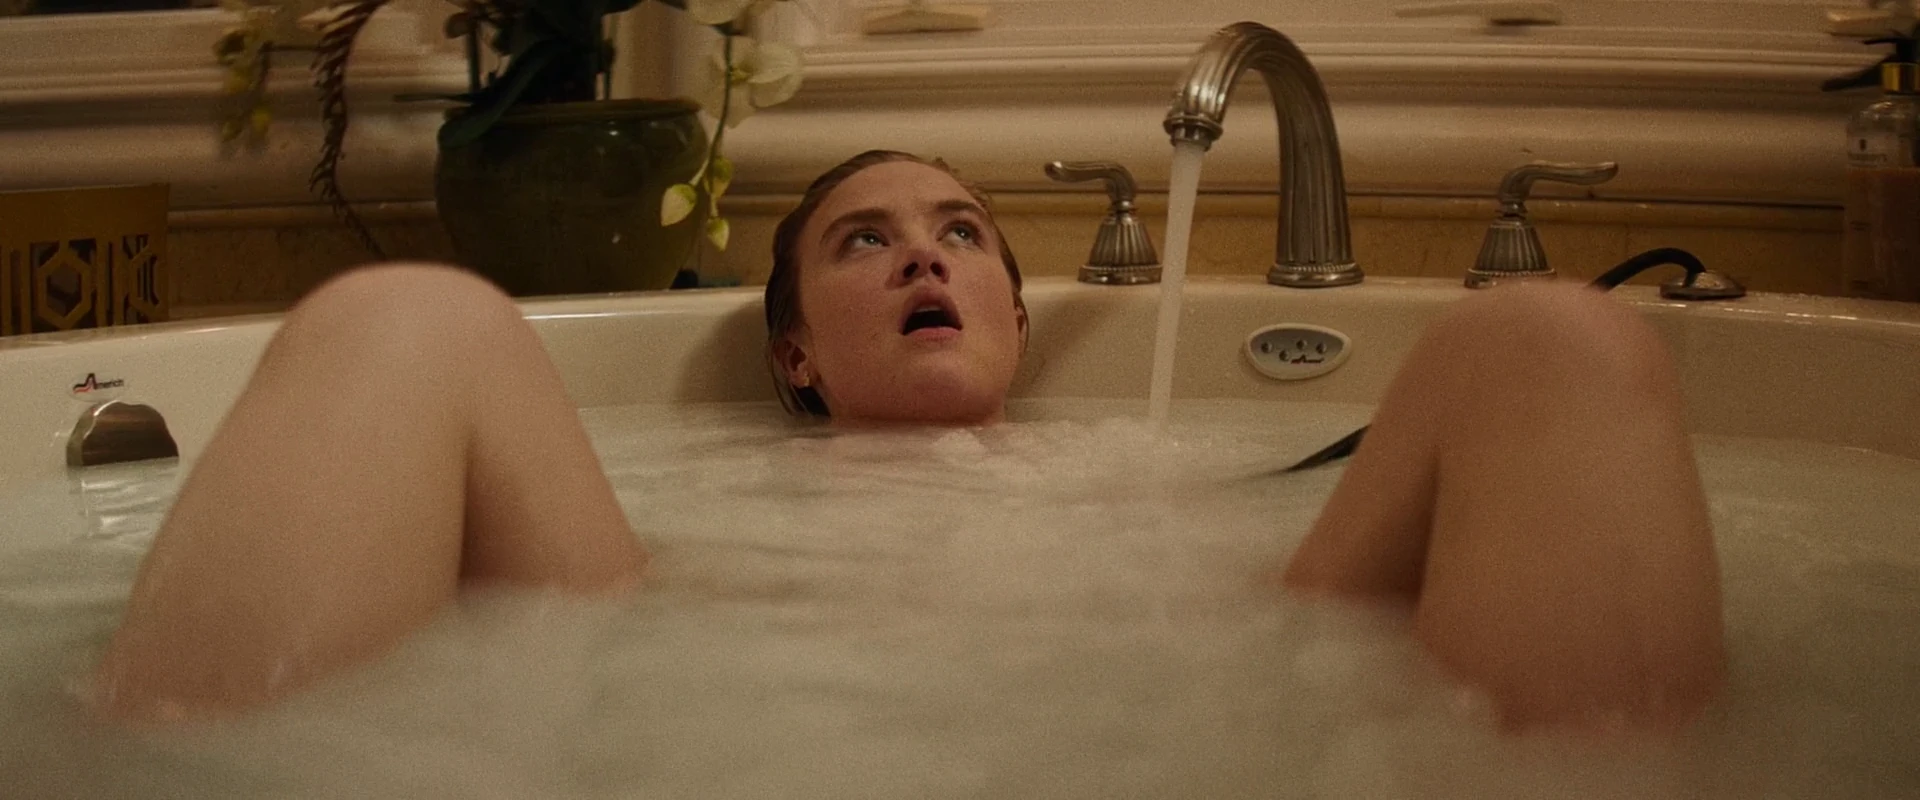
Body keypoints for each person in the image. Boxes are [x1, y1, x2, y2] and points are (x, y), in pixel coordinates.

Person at [91, 150, 1724, 733]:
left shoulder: (1155, 477)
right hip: (697, 666)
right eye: (864, 243)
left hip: (1220, 652)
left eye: (959, 234)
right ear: (794, 355)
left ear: (1015, 309)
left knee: (1556, 340)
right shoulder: (692, 507)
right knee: (404, 314)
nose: (924, 258)